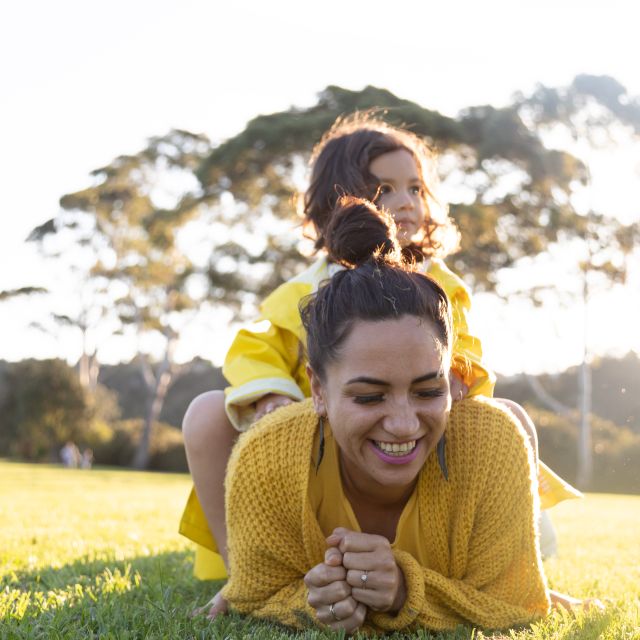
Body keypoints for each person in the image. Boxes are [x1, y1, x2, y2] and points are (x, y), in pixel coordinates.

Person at [180, 113, 579, 582]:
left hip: (412, 456)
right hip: (320, 457)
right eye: (384, 189)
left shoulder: (442, 289)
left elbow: (465, 349)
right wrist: (271, 396)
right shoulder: (302, 293)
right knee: (206, 413)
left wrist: (449, 378)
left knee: (509, 417)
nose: (405, 202)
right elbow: (257, 349)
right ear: (338, 201)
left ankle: (499, 561)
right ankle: (244, 569)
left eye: (414, 188)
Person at [206, 207, 553, 633]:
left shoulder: (494, 443)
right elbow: (254, 595)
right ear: (317, 390)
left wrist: (405, 591)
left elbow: (517, 609)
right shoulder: (266, 454)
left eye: (429, 391)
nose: (405, 425)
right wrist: (315, 604)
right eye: (370, 396)